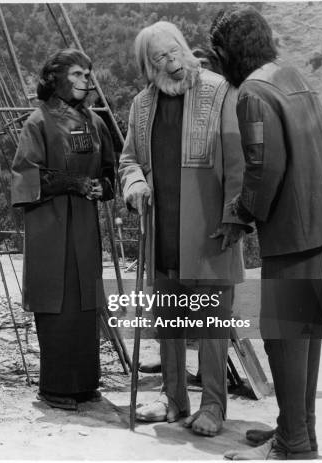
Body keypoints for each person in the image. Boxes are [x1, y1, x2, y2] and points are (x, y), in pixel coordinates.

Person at [210, 7, 322, 459]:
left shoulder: (253, 93)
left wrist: (238, 214)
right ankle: (297, 432)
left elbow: (263, 168)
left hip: (295, 231)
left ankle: (292, 445)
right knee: (302, 335)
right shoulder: (292, 76)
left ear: (229, 52)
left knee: (285, 338)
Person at [119, 22, 249, 436]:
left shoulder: (219, 90)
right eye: (160, 57)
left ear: (185, 48)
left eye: (175, 50)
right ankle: (174, 399)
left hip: (211, 231)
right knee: (169, 320)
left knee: (213, 324)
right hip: (163, 233)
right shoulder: (141, 104)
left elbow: (238, 160)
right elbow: (128, 160)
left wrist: (235, 215)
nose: (172, 62)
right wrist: (135, 181)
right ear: (147, 66)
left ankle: (212, 406)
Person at [11, 48, 114, 410]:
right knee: (57, 303)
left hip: (84, 228)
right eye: (76, 74)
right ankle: (55, 387)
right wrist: (72, 183)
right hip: (50, 229)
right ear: (55, 79)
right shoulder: (37, 122)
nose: (86, 80)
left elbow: (109, 171)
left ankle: (85, 384)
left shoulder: (95, 123)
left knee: (85, 303)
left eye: (88, 73)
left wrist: (104, 186)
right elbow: (25, 177)